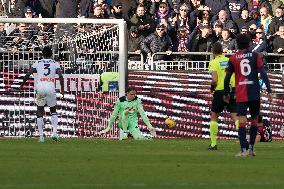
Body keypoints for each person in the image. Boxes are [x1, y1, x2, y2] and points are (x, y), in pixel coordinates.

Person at [224, 34, 272, 157]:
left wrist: (226, 93)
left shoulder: (233, 58)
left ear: (237, 44)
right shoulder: (256, 56)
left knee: (242, 121)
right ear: (249, 44)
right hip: (254, 92)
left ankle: (243, 150)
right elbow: (263, 73)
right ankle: (251, 149)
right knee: (255, 120)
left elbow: (227, 78)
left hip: (241, 92)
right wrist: (269, 90)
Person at [19, 46, 64, 142]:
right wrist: (63, 89)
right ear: (51, 54)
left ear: (42, 54)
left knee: (39, 110)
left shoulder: (38, 63)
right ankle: (54, 133)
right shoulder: (55, 63)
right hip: (50, 87)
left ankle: (41, 137)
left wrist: (22, 85)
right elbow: (60, 75)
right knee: (53, 110)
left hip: (40, 88)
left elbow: (28, 74)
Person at [208, 42, 239, 150]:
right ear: (222, 50)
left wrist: (211, 87)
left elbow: (214, 80)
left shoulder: (213, 62)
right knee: (235, 115)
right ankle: (244, 139)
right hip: (232, 90)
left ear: (213, 51)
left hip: (220, 91)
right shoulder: (229, 61)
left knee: (214, 115)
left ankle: (213, 144)